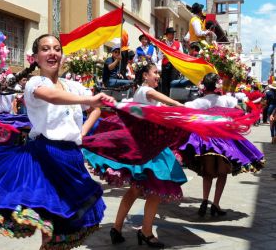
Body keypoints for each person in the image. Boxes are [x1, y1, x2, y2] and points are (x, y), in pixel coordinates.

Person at [0, 34, 115, 249]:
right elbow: (52, 96)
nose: (52, 53)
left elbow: (95, 109)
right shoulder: (35, 83)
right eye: (45, 49)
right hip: (45, 157)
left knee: (65, 226)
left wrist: (82, 132)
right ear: (35, 57)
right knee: (49, 223)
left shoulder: (73, 86)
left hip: (71, 158)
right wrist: (89, 99)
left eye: (56, 49)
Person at [84, 63, 185, 248]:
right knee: (156, 190)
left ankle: (117, 228)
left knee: (136, 190)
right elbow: (152, 94)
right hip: (149, 150)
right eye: (155, 73)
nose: (158, 76)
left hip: (146, 147)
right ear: (145, 75)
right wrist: (178, 104)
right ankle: (146, 232)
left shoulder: (145, 94)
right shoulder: (144, 91)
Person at [179, 73, 265, 217]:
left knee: (207, 173)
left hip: (205, 141)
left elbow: (184, 111)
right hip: (224, 141)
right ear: (217, 86)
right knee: (222, 173)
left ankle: (204, 202)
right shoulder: (227, 100)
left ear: (204, 87)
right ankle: (215, 204)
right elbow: (240, 112)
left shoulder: (199, 102)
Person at [159, 27, 183, 96]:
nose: (171, 36)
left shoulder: (178, 44)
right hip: (165, 65)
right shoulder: (162, 43)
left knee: (173, 81)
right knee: (165, 82)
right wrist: (163, 56)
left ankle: (173, 97)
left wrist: (173, 55)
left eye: (172, 34)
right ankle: (164, 98)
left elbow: (181, 55)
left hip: (174, 65)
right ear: (166, 35)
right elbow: (159, 55)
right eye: (170, 34)